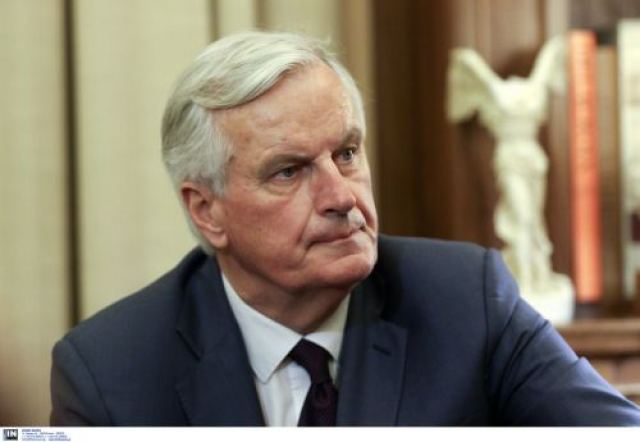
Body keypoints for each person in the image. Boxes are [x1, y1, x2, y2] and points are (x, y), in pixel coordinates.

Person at [50, 31, 640, 426]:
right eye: (289, 171)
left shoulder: (467, 301)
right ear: (207, 210)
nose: (341, 197)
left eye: (348, 154)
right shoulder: (110, 371)